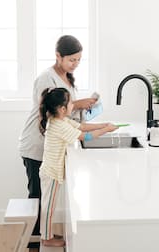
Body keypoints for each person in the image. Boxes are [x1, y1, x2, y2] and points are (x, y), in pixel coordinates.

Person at [18, 35, 97, 247]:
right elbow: (52, 113)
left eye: (79, 60)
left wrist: (82, 108)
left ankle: (42, 238)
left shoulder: (67, 77)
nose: (75, 64)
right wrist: (78, 104)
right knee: (38, 197)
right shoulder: (46, 78)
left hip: (52, 146)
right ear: (58, 56)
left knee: (45, 197)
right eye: (72, 60)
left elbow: (66, 113)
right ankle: (36, 242)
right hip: (37, 146)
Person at [39, 87, 118, 247]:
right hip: (52, 172)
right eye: (70, 103)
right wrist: (106, 130)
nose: (73, 105)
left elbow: (81, 127)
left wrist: (103, 125)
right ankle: (46, 238)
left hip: (51, 170)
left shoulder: (60, 120)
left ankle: (47, 234)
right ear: (62, 109)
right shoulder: (59, 125)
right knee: (49, 206)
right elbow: (85, 137)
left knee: (49, 204)